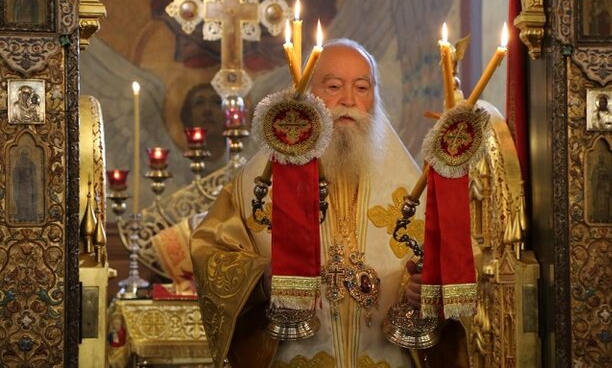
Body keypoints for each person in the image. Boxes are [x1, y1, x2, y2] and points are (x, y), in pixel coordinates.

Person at [191, 40, 437, 367]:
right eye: (333, 86)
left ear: (374, 99)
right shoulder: (256, 184)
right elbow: (211, 254)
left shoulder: (409, 185)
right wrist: (260, 279)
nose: (348, 100)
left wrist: (423, 290)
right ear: (307, 93)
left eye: (362, 87)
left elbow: (442, 265)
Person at [180, 83, 226, 162]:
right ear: (188, 115)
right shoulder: (180, 165)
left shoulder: (241, 162)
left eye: (216, 102)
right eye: (199, 103)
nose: (207, 110)